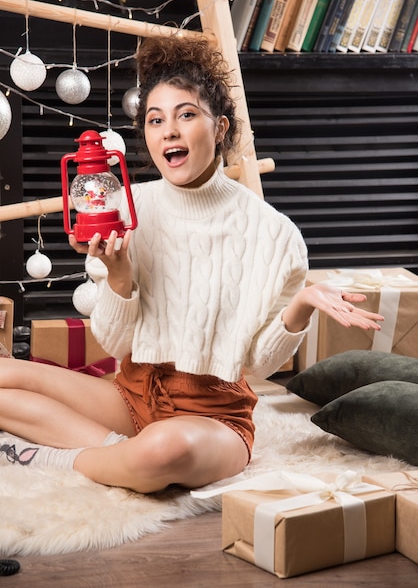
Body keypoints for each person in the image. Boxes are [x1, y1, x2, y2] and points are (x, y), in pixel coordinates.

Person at [0, 35, 383, 493]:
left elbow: (259, 364)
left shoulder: (275, 234)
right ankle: (115, 455)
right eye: (156, 119)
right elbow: (115, 342)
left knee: (167, 448)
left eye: (186, 115)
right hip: (133, 393)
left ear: (219, 128)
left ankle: (59, 457)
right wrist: (120, 280)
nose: (169, 131)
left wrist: (300, 306)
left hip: (214, 417)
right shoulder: (125, 206)